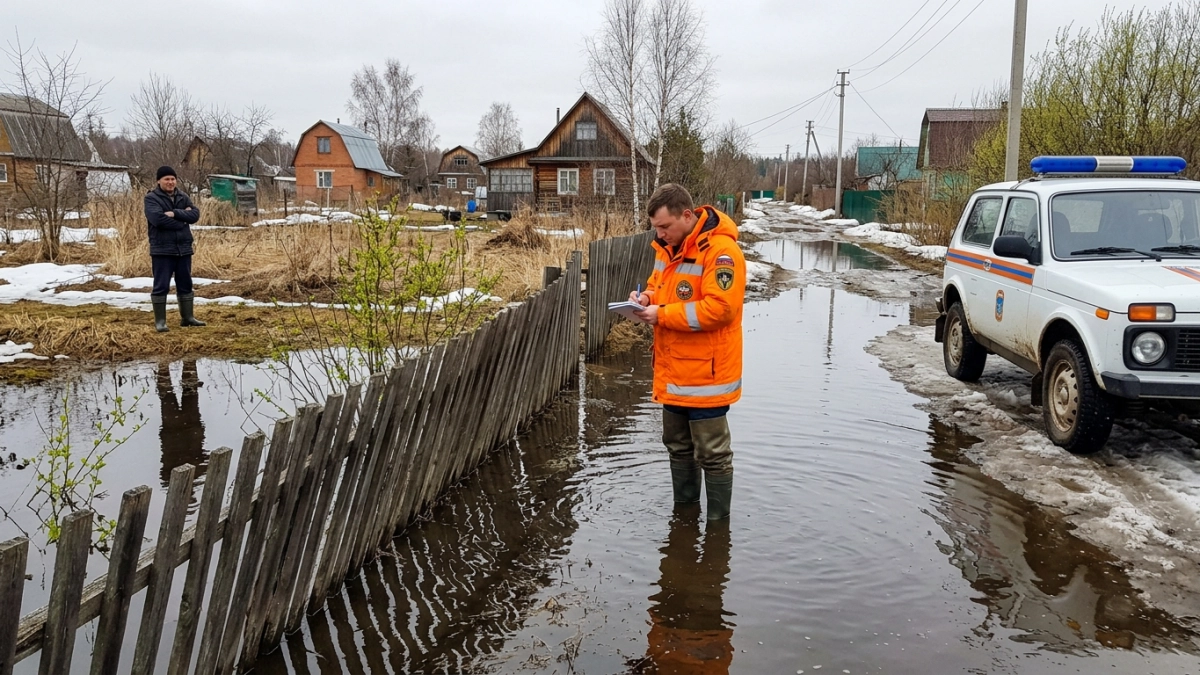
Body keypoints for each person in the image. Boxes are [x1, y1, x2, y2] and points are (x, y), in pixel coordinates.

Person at [630, 184, 745, 520]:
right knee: (677, 447)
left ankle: (717, 525)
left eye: (665, 227)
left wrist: (662, 315)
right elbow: (658, 285)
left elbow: (720, 309)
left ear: (687, 215)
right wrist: (647, 299)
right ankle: (685, 516)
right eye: (657, 229)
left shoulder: (722, 253)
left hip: (707, 375)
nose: (661, 234)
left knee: (713, 453)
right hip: (673, 371)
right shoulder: (668, 248)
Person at [144, 166, 204, 332]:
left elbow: (195, 215)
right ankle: (160, 322)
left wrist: (174, 213)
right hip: (162, 248)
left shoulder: (182, 196)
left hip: (183, 248)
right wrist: (183, 220)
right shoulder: (151, 198)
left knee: (185, 283)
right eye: (166, 179)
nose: (170, 182)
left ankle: (187, 318)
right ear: (159, 181)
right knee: (161, 285)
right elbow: (158, 220)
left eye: (172, 179)